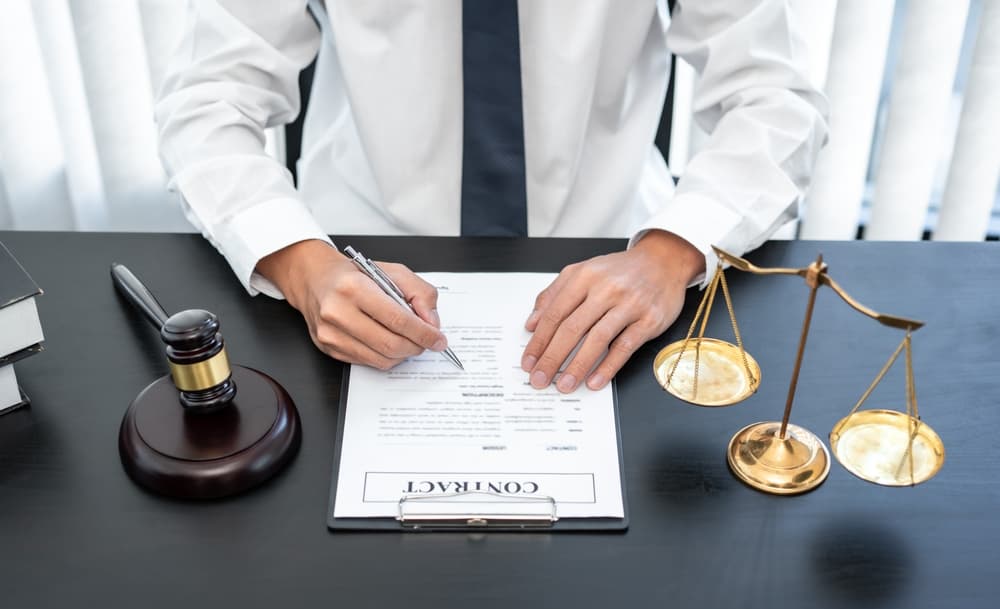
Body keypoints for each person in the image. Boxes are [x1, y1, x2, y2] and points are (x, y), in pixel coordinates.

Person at [155, 0, 828, 393]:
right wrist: (303, 266)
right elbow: (208, 101)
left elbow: (774, 98)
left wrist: (670, 253)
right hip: (352, 267)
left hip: (621, 257)